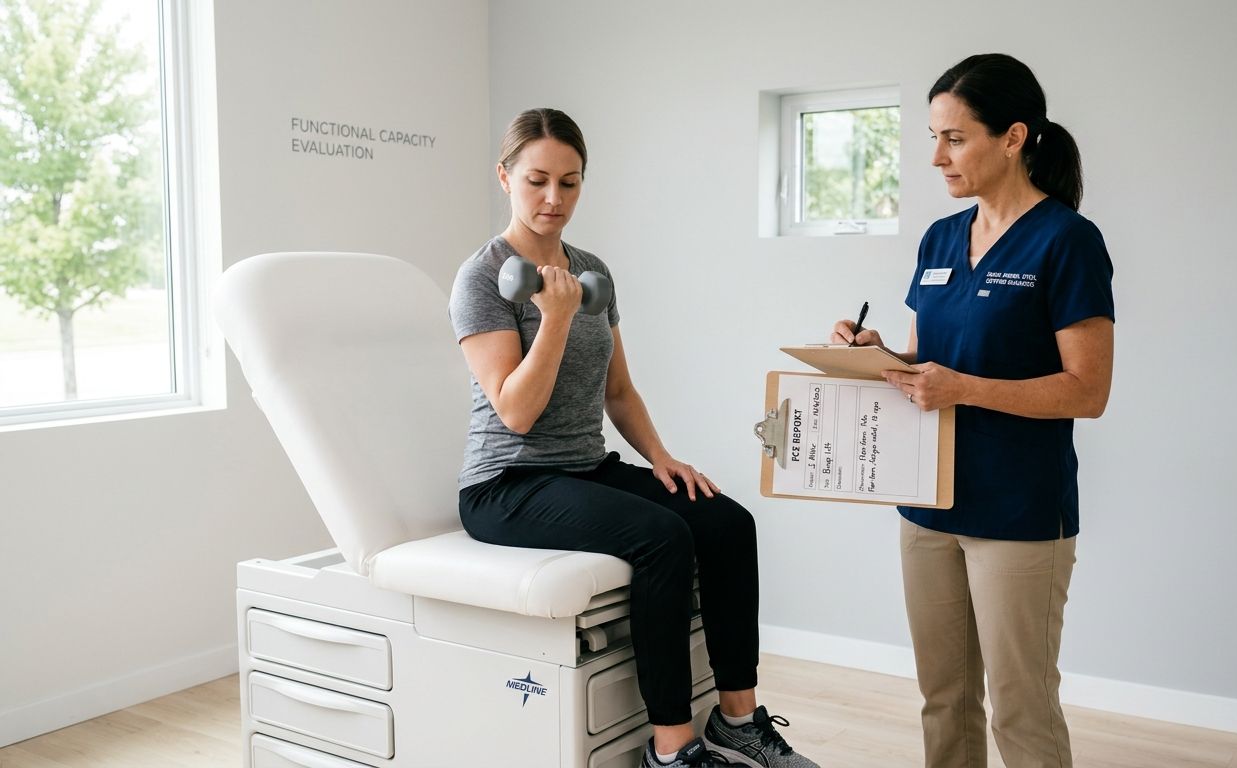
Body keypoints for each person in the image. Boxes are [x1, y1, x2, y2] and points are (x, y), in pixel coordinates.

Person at [450, 108, 820, 768]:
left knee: (726, 522)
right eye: (537, 181)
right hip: (507, 486)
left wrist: (663, 461)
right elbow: (515, 413)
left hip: (584, 467)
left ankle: (737, 719)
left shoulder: (592, 269)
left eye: (570, 182)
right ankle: (672, 749)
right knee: (662, 537)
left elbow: (618, 391)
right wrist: (555, 320)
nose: (553, 199)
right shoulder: (483, 278)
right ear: (503, 177)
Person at [832, 54, 1114, 768]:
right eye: (934, 137)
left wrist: (966, 388)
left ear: (1013, 137)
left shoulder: (1067, 242)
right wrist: (876, 354)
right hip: (927, 506)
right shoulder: (938, 240)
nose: (936, 157)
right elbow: (927, 364)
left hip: (1018, 514)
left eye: (954, 138)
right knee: (945, 699)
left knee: (1022, 706)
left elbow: (1088, 390)